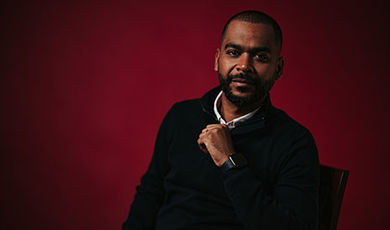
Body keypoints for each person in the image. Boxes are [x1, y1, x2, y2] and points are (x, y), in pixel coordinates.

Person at [122, 10, 319, 230]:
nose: (244, 65)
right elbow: (150, 193)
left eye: (260, 57)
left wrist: (230, 161)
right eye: (234, 52)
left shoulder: (294, 141)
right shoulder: (180, 116)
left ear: (278, 69)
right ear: (217, 60)